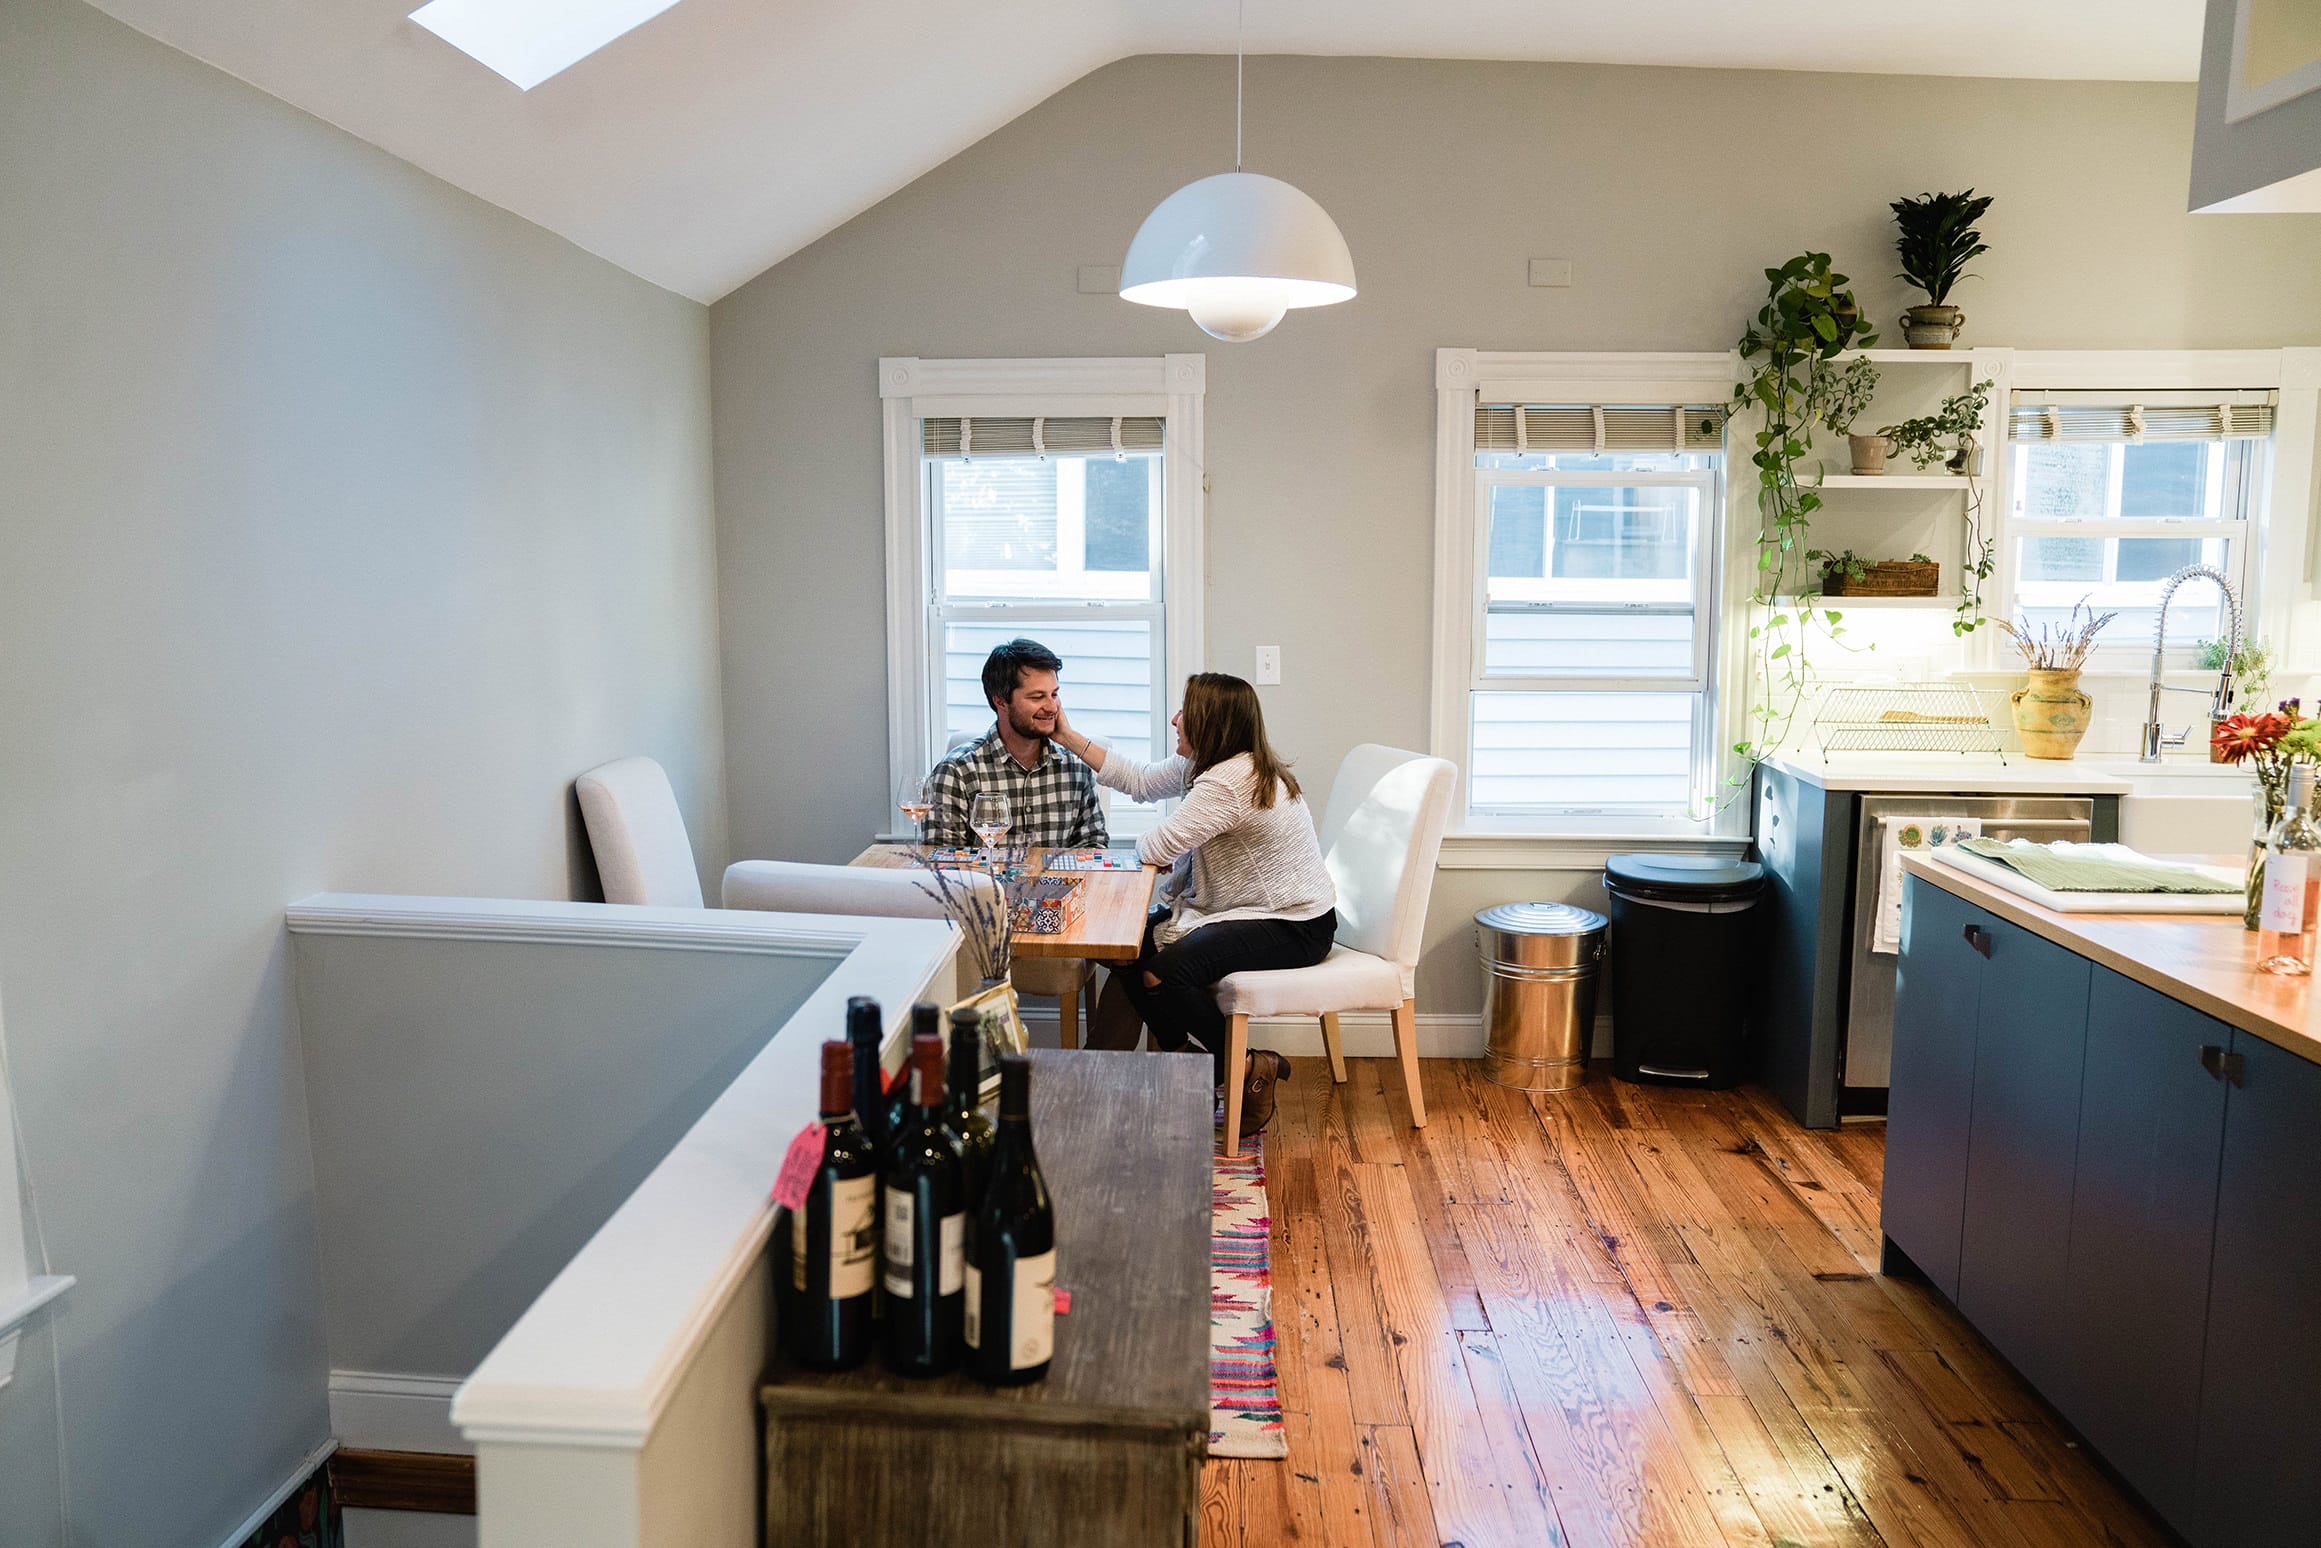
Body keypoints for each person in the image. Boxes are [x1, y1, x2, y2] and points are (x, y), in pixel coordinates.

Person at [1049, 673, 1334, 1137]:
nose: (1175, 720)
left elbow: (1156, 846)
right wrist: (1067, 736)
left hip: (1291, 922)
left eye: (1187, 713)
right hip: (1252, 909)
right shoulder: (1206, 765)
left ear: (1212, 725)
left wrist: (1161, 854)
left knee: (1164, 971)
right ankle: (1199, 1063)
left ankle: (1237, 1065)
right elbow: (1139, 781)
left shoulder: (1230, 781)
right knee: (1127, 947)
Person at [926, 639, 1107, 849]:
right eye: (1037, 697)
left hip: (1060, 882)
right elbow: (941, 863)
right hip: (983, 882)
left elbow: (1094, 844)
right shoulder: (956, 771)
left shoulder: (1075, 766)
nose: (1052, 707)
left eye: (1054, 694)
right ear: (1001, 701)